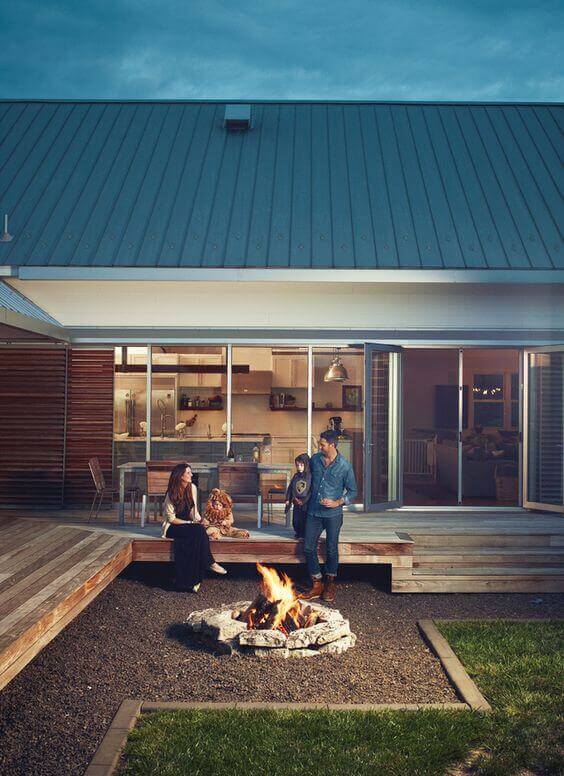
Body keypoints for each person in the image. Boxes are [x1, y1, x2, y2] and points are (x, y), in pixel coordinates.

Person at [301, 430, 357, 603]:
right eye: (320, 443)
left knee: (332, 548)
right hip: (313, 512)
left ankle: (330, 583)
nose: (320, 446)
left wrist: (338, 502)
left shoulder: (345, 466)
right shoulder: (315, 460)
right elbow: (304, 477)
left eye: (323, 443)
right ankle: (317, 583)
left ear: (332, 445)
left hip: (333, 514)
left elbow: (353, 492)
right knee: (308, 547)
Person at [162, 463, 226, 592]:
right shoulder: (171, 493)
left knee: (198, 534)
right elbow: (171, 519)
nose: (191, 474)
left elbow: (193, 511)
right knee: (197, 530)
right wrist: (191, 524)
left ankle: (193, 582)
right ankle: (210, 563)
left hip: (188, 525)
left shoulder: (193, 488)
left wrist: (200, 520)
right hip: (172, 527)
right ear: (181, 476)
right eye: (188, 473)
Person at [285, 453, 312, 539]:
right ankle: (298, 532)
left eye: (301, 465)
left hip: (306, 502)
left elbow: (311, 490)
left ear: (306, 464)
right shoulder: (296, 476)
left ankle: (304, 534)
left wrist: (304, 501)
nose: (299, 467)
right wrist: (288, 498)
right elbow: (290, 488)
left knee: (304, 519)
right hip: (296, 500)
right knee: (296, 520)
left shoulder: (310, 476)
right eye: (297, 465)